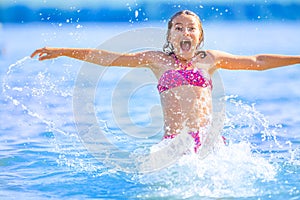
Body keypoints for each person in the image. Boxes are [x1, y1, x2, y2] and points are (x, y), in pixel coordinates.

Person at [31, 10, 300, 153]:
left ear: (200, 36)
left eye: (191, 28)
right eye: (179, 28)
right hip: (174, 144)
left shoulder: (210, 59)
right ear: (169, 35)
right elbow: (108, 58)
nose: (185, 32)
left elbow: (258, 62)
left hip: (210, 142)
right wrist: (64, 50)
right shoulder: (157, 60)